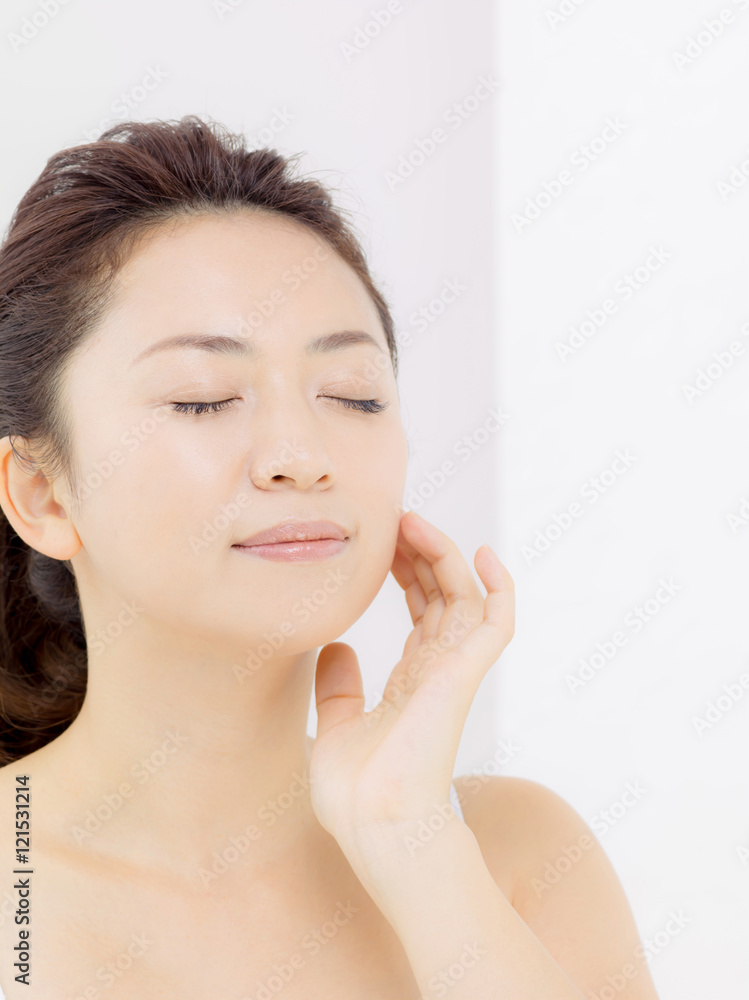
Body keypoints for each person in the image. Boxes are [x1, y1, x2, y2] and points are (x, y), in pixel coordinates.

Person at [0, 115, 660, 999]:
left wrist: (411, 842)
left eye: (352, 395)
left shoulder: (515, 855)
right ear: (42, 494)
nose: (301, 454)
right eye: (203, 399)